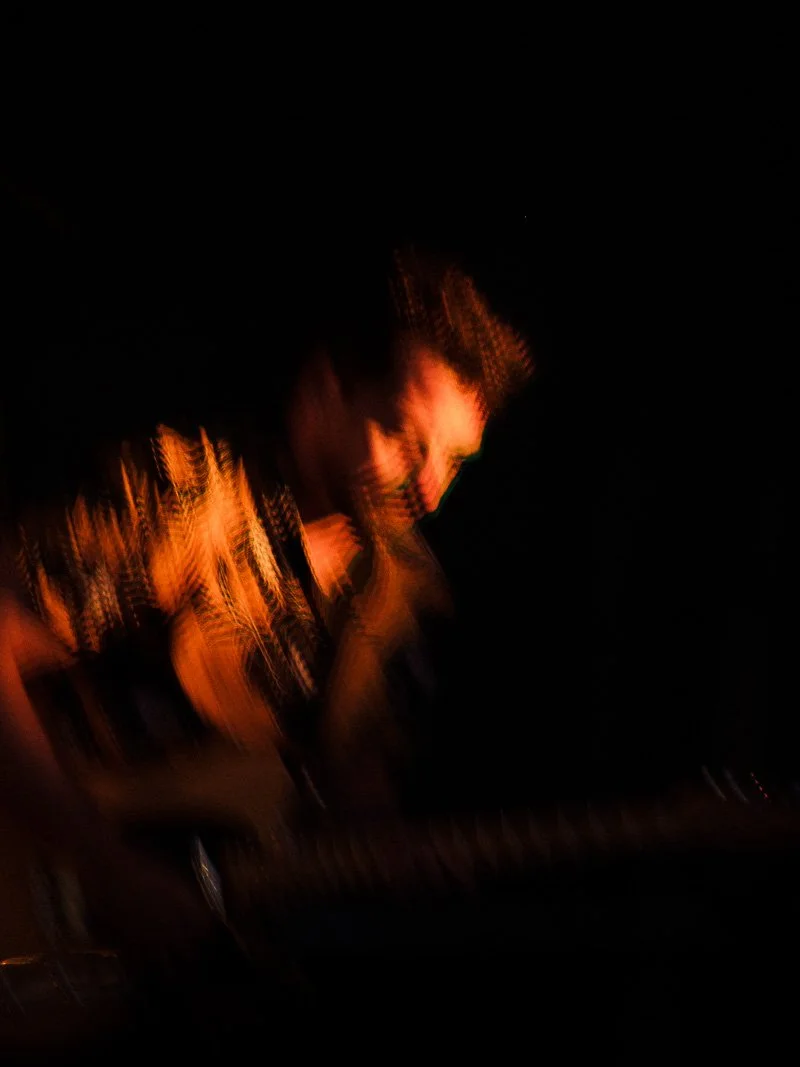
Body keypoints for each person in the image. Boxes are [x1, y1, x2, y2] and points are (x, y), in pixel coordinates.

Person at [0, 245, 532, 966]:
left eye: (455, 460)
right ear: (324, 391)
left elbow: (354, 792)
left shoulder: (402, 589)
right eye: (407, 441)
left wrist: (396, 854)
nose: (431, 490)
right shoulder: (185, 501)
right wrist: (101, 862)